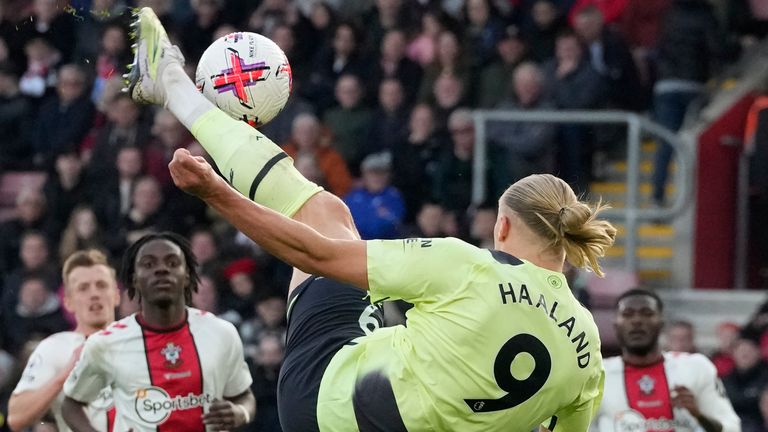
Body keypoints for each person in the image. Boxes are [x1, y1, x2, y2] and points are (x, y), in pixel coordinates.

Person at [128, 7, 616, 430]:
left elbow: (313, 255)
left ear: (503, 227)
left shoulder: (468, 267)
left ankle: (172, 84)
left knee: (326, 213)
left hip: (325, 400)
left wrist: (216, 192)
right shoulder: (588, 349)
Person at [61, 232, 255, 431]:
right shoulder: (105, 343)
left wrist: (242, 413)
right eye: (148, 264)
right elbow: (71, 404)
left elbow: (243, 395)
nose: (161, 269)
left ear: (187, 275)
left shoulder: (221, 332)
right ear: (135, 279)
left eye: (172, 263)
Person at [593, 289, 741, 432]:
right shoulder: (597, 376)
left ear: (661, 323)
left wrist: (700, 416)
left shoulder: (697, 367)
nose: (637, 321)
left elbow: (732, 428)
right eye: (627, 314)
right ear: (615, 325)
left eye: (647, 313)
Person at [7, 250, 119, 432]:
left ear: (116, 295)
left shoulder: (141, 342)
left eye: (101, 285)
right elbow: (16, 417)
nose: (94, 294)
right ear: (68, 302)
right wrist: (65, 374)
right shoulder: (55, 348)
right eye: (83, 288)